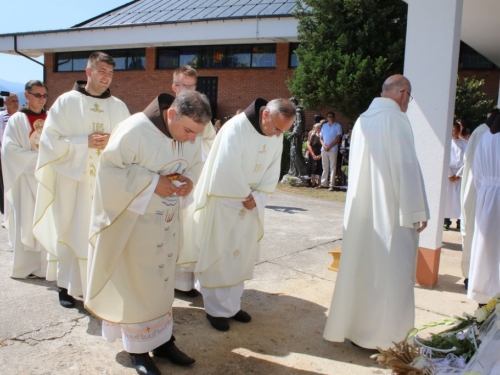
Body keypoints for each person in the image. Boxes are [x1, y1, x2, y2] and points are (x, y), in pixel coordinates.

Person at [86, 90, 211, 375]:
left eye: (197, 133)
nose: (192, 138)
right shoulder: (135, 129)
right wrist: (152, 182)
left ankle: (163, 341)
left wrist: (189, 181)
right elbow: (109, 170)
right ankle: (138, 349)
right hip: (133, 226)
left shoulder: (189, 133)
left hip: (165, 223)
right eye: (189, 130)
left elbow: (197, 161)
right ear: (171, 115)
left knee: (161, 283)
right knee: (137, 285)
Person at [323, 75, 429, 350]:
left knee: (363, 270)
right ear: (403, 93)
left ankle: (359, 331)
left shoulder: (362, 120)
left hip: (362, 215)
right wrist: (417, 210)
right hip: (391, 213)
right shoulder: (396, 120)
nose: (408, 103)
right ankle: (387, 337)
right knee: (392, 272)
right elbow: (407, 167)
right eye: (409, 97)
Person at [179, 98, 295, 332]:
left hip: (250, 205)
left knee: (240, 255)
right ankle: (215, 310)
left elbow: (274, 168)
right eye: (276, 128)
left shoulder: (276, 132)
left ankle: (231, 306)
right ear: (265, 115)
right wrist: (245, 195)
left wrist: (259, 197)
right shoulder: (235, 128)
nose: (277, 135)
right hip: (224, 202)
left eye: (283, 131)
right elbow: (226, 166)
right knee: (219, 255)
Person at [33, 51, 130, 308]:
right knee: (71, 229)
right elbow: (49, 142)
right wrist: (82, 143)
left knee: (102, 235)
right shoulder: (65, 103)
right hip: (73, 184)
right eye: (101, 72)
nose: (106, 78)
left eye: (110, 73)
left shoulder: (119, 107)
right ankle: (66, 286)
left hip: (105, 186)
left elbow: (130, 144)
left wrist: (114, 144)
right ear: (88, 72)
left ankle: (98, 287)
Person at [171, 65, 216, 298]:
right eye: (182, 85)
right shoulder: (166, 111)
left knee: (191, 229)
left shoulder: (203, 115)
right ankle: (167, 278)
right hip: (169, 180)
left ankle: (185, 281)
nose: (186, 89)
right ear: (173, 87)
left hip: (193, 180)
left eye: (191, 86)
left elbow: (213, 145)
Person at [2, 82, 48, 278]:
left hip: (47, 180)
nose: (41, 99)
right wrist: (40, 161)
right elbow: (9, 150)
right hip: (25, 180)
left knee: (46, 221)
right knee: (27, 220)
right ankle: (26, 267)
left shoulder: (51, 118)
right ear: (26, 96)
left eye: (45, 95)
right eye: (37, 95)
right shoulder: (17, 120)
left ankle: (46, 268)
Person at [461, 110, 498, 290]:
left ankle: (476, 280)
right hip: (486, 191)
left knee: (480, 238)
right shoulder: (485, 133)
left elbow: (470, 161)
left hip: (482, 191)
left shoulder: (483, 135)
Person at [443, 121, 467, 230]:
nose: (452, 132)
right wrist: (450, 174)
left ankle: (459, 221)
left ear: (458, 130)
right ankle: (446, 220)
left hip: (459, 175)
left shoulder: (464, 144)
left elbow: (467, 160)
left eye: (453, 130)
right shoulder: (445, 142)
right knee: (447, 198)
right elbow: (443, 158)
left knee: (459, 199)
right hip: (448, 174)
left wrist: (459, 174)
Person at [0, 93, 19, 214]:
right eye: (12, 101)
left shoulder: (21, 117)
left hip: (19, 158)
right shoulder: (1, 117)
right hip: (4, 157)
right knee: (5, 186)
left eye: (17, 100)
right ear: (5, 103)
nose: (16, 103)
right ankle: (6, 214)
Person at [317, 112, 342, 191]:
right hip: (324, 149)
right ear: (327, 118)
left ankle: (332, 184)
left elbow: (338, 138)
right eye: (329, 116)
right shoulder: (324, 126)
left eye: (332, 116)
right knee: (325, 166)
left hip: (333, 149)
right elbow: (321, 137)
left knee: (332, 167)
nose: (330, 118)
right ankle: (324, 183)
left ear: (334, 117)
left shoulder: (338, 126)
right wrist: (324, 146)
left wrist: (330, 146)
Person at [287, 98, 308, 177]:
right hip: (295, 135)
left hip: (297, 136)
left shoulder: (298, 112)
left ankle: (301, 172)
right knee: (293, 153)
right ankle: (293, 171)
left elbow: (299, 125)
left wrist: (293, 134)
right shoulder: (295, 112)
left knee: (295, 153)